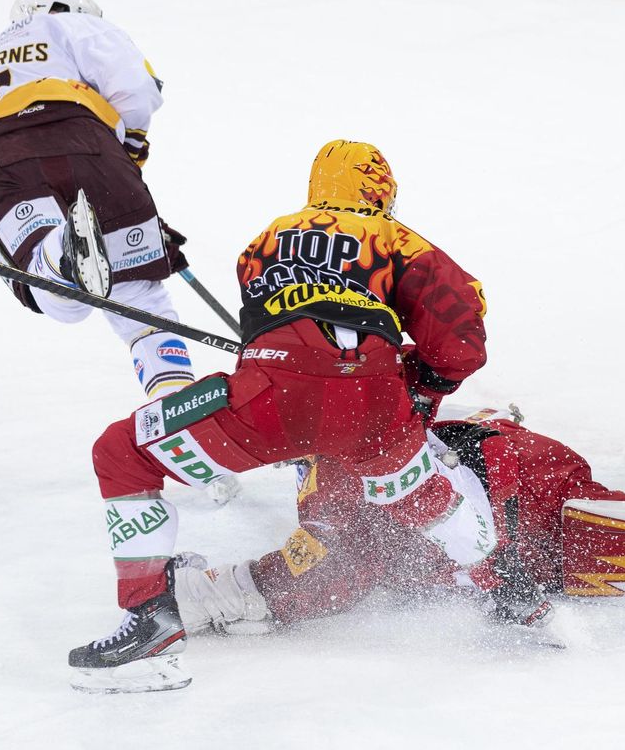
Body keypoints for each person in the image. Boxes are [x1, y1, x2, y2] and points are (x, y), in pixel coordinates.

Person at [67, 139, 491, 693]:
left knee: (121, 452)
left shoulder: (261, 243)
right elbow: (462, 335)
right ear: (380, 191)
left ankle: (150, 623)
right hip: (375, 409)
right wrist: (422, 387)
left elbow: (270, 334)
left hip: (271, 396)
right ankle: (506, 587)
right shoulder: (397, 238)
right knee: (420, 496)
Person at [170, 406, 625, 644]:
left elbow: (315, 572)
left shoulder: (330, 489)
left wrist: (209, 591)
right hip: (521, 465)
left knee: (592, 543)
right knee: (606, 520)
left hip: (507, 508)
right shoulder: (364, 406)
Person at [0, 0, 198, 400]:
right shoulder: (72, 24)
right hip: (79, 136)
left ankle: (56, 255)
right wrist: (128, 159)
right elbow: (134, 84)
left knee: (53, 294)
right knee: (137, 285)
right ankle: (177, 400)